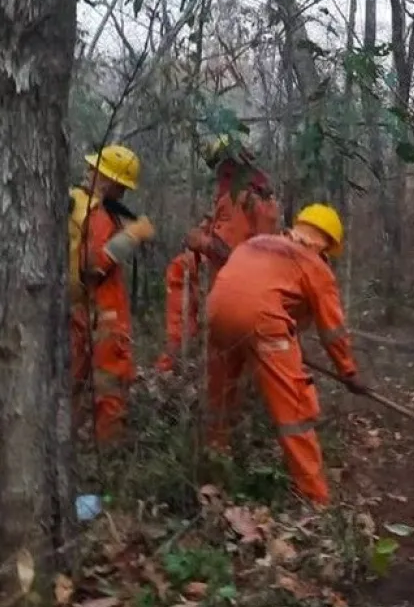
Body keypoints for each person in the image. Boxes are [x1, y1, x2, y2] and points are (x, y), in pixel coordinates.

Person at [205, 203, 363, 505]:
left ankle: (215, 465)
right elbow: (333, 331)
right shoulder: (315, 265)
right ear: (323, 243)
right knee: (295, 413)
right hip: (263, 323)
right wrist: (349, 373)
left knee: (221, 397)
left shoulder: (255, 243)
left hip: (216, 315)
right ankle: (316, 499)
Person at [71, 143, 155, 442]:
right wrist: (133, 236)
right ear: (109, 181)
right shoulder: (97, 215)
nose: (122, 195)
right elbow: (92, 265)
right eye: (121, 188)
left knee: (71, 388)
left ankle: (67, 453)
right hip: (102, 318)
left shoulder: (81, 206)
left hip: (81, 311)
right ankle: (109, 456)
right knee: (111, 390)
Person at [183, 135, 279, 274]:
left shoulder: (235, 198)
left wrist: (200, 241)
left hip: (239, 285)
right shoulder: (263, 199)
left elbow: (229, 252)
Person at [155, 214, 210, 373]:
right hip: (181, 278)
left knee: (192, 330)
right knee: (180, 331)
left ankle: (178, 369)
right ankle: (164, 370)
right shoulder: (204, 237)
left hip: (192, 278)